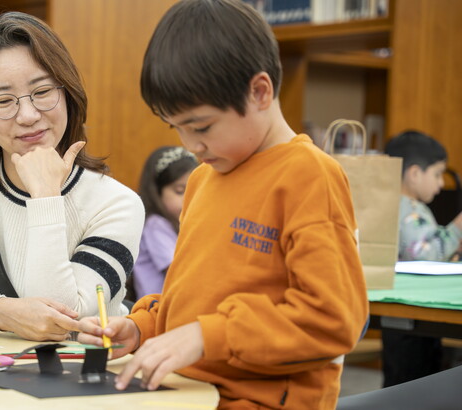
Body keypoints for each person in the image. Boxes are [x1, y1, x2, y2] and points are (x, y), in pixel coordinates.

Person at [77, 1, 369, 408]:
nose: (190, 145)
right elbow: (193, 302)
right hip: (186, 393)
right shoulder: (201, 180)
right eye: (175, 128)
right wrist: (143, 327)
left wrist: (207, 336)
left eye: (201, 127)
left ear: (260, 92)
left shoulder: (308, 176)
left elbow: (334, 321)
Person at [0, 12, 144, 342]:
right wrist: (6, 313)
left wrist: (46, 197)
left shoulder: (117, 204)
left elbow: (62, 318)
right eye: (4, 101)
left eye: (43, 91)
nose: (28, 115)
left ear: (68, 92)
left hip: (73, 384)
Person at [381, 130, 462, 387]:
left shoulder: (395, 204)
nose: (440, 184)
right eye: (437, 174)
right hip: (412, 314)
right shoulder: (407, 208)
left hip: (398, 312)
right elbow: (425, 255)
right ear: (415, 174)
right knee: (412, 380)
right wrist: (458, 226)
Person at [132, 146, 197, 300]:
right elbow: (180, 272)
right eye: (180, 191)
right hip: (156, 312)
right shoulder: (155, 225)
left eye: (194, 190)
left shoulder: (182, 223)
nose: (188, 198)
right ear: (157, 191)